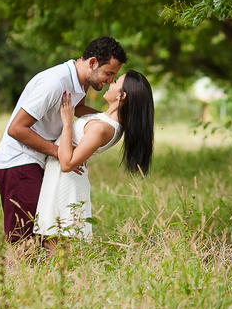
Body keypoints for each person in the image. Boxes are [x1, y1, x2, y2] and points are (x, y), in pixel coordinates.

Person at [0, 37, 127, 243]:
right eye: (108, 74)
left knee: (40, 238)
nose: (109, 81)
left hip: (37, 161)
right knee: (23, 242)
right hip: (19, 162)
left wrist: (111, 121)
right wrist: (62, 154)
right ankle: (11, 275)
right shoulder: (54, 83)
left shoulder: (81, 81)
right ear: (92, 62)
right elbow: (16, 128)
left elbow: (78, 109)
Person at [35, 70, 154, 242]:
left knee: (54, 249)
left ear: (122, 96)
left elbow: (67, 164)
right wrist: (88, 76)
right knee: (50, 245)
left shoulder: (102, 128)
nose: (110, 82)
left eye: (115, 82)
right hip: (58, 178)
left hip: (65, 182)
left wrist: (68, 122)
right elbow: (79, 108)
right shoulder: (105, 119)